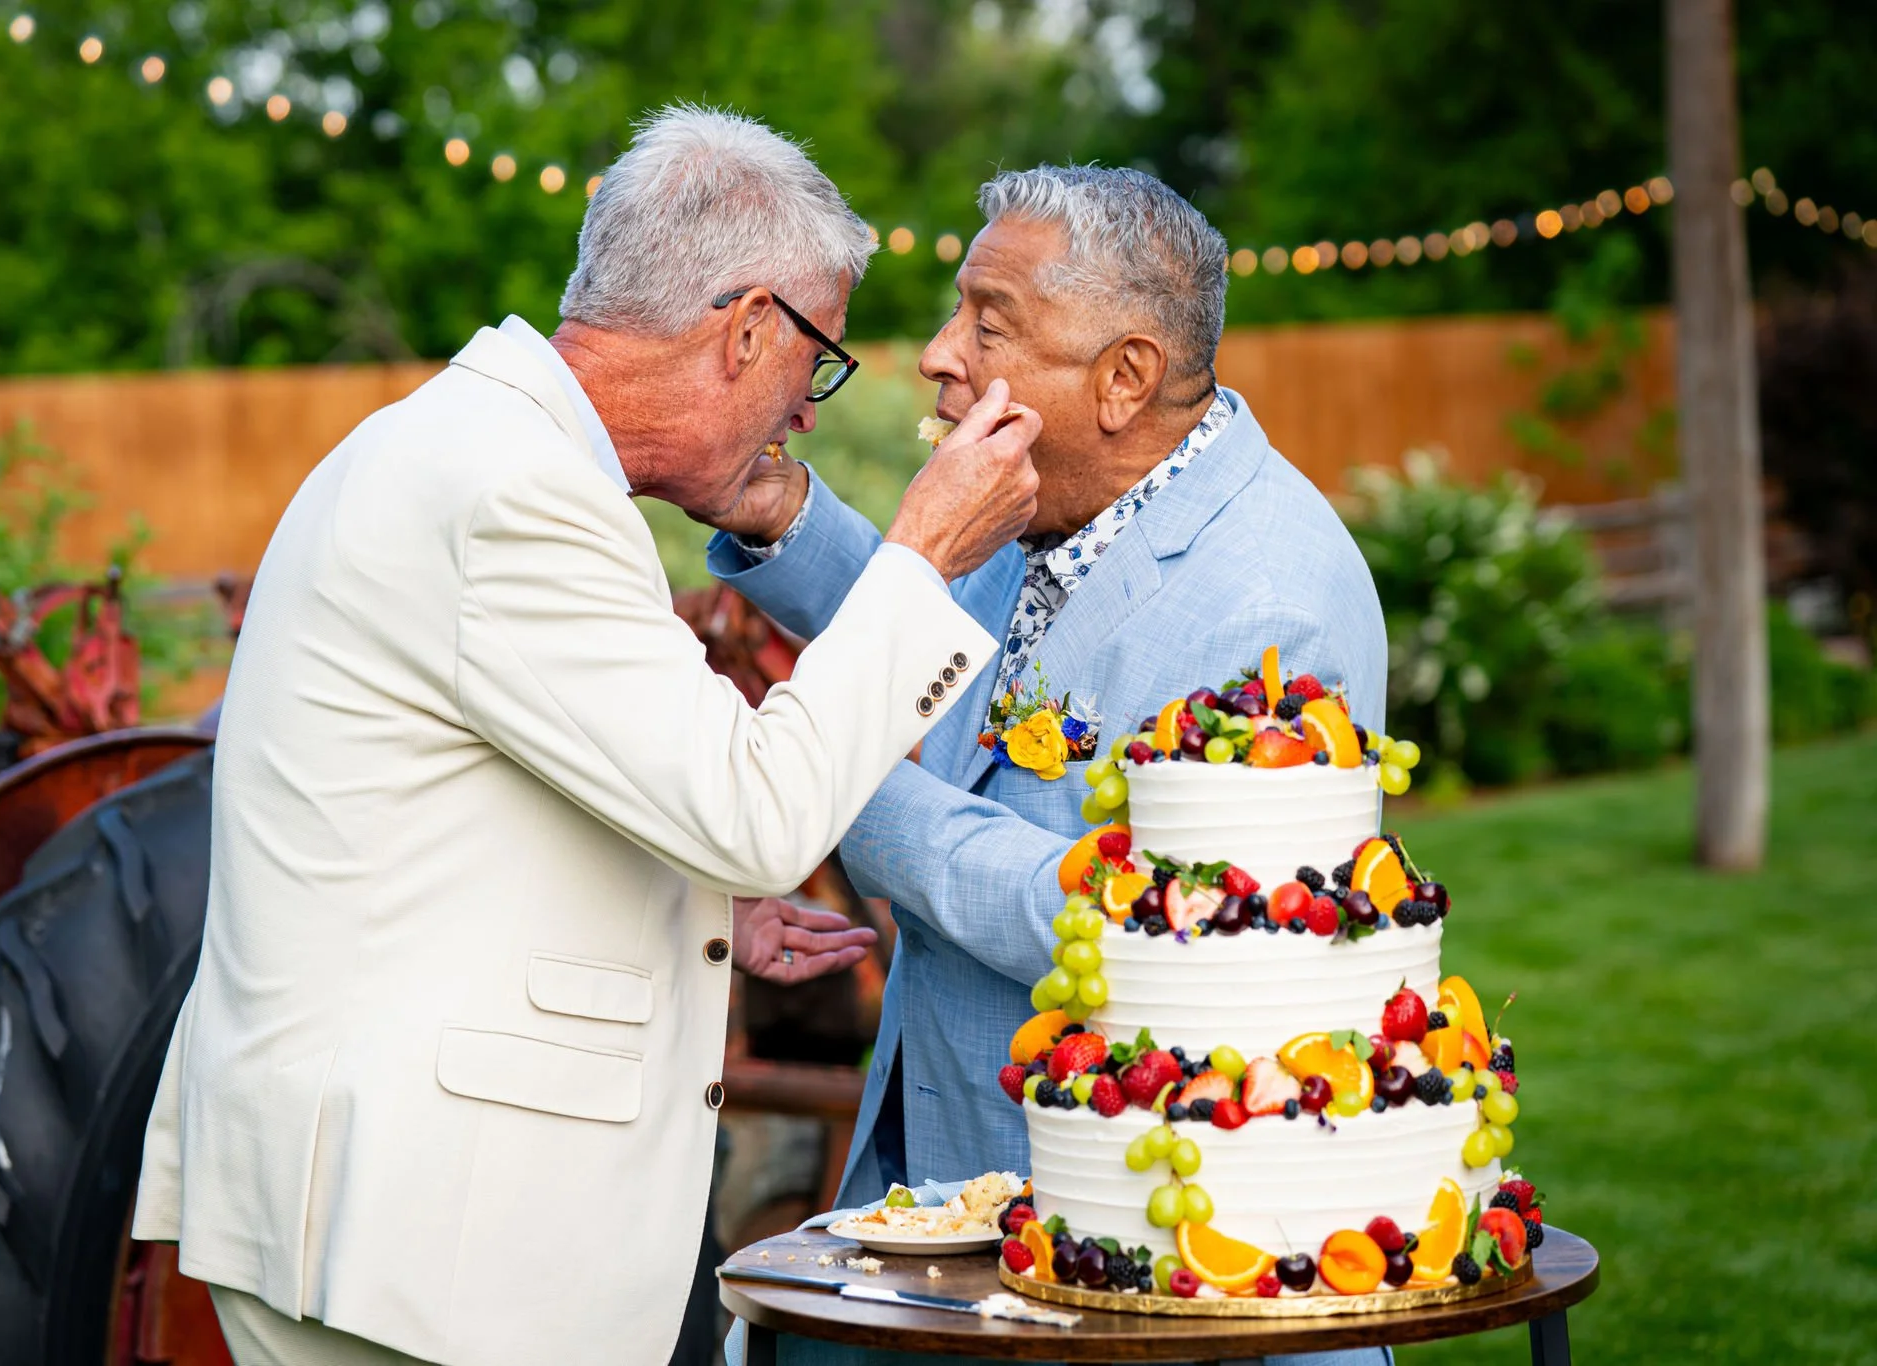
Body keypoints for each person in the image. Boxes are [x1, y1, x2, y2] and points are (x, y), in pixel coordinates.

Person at [130, 106, 1044, 1366]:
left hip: (388, 1221)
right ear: (745, 328)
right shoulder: (516, 492)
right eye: (815, 361)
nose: (810, 414)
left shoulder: (469, 446)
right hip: (414, 1250)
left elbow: (468, 814)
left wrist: (686, 914)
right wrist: (922, 555)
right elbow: (755, 810)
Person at [707, 165, 1389, 1366]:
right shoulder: (1057, 491)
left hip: (1132, 1264)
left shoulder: (1272, 605)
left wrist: (830, 770)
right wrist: (785, 519)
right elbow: (939, 644)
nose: (935, 351)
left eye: (988, 319)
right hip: (935, 1198)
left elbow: (1158, 930)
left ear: (1122, 376)